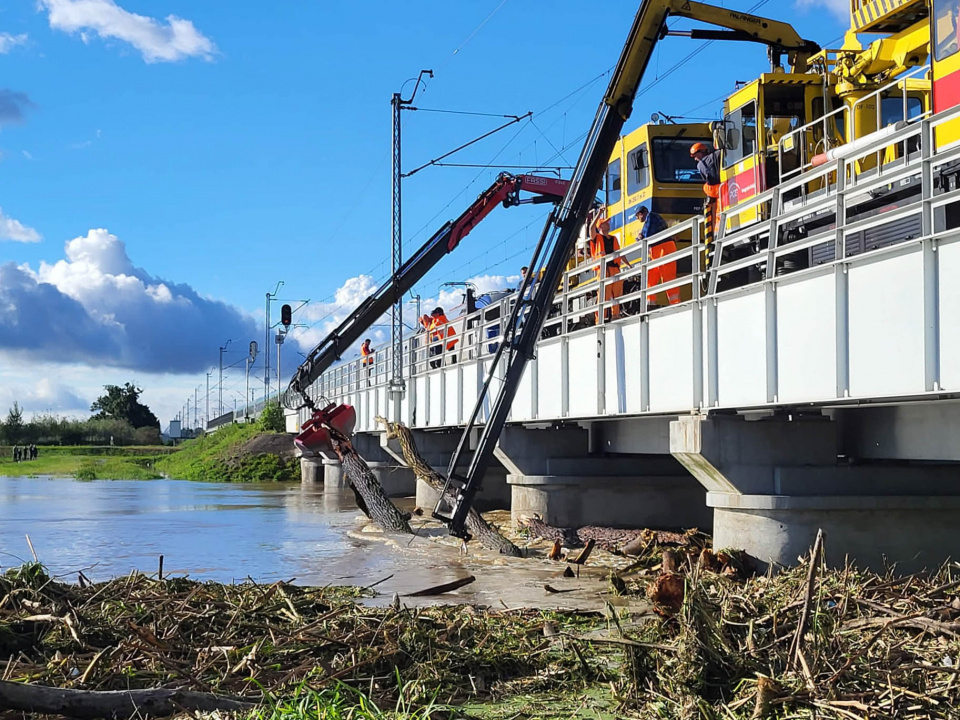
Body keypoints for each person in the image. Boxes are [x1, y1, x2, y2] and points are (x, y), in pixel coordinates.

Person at [588, 211, 630, 322]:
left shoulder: (614, 239)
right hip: (602, 270)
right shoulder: (596, 238)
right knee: (603, 295)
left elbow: (619, 253)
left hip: (615, 268)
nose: (609, 224)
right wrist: (599, 213)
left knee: (617, 293)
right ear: (601, 226)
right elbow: (591, 227)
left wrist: (628, 265)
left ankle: (615, 315)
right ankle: (600, 318)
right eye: (606, 223)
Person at [636, 206, 680, 307]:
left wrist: (639, 238)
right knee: (650, 276)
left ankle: (675, 304)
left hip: (664, 249)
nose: (638, 219)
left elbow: (646, 235)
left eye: (637, 217)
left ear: (641, 214)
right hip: (657, 251)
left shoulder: (651, 217)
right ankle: (650, 303)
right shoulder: (651, 219)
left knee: (668, 277)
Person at [690, 142, 722, 270]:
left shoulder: (703, 164)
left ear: (702, 151)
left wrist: (708, 192)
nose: (695, 159)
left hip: (720, 196)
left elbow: (712, 181)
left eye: (695, 155)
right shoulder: (718, 155)